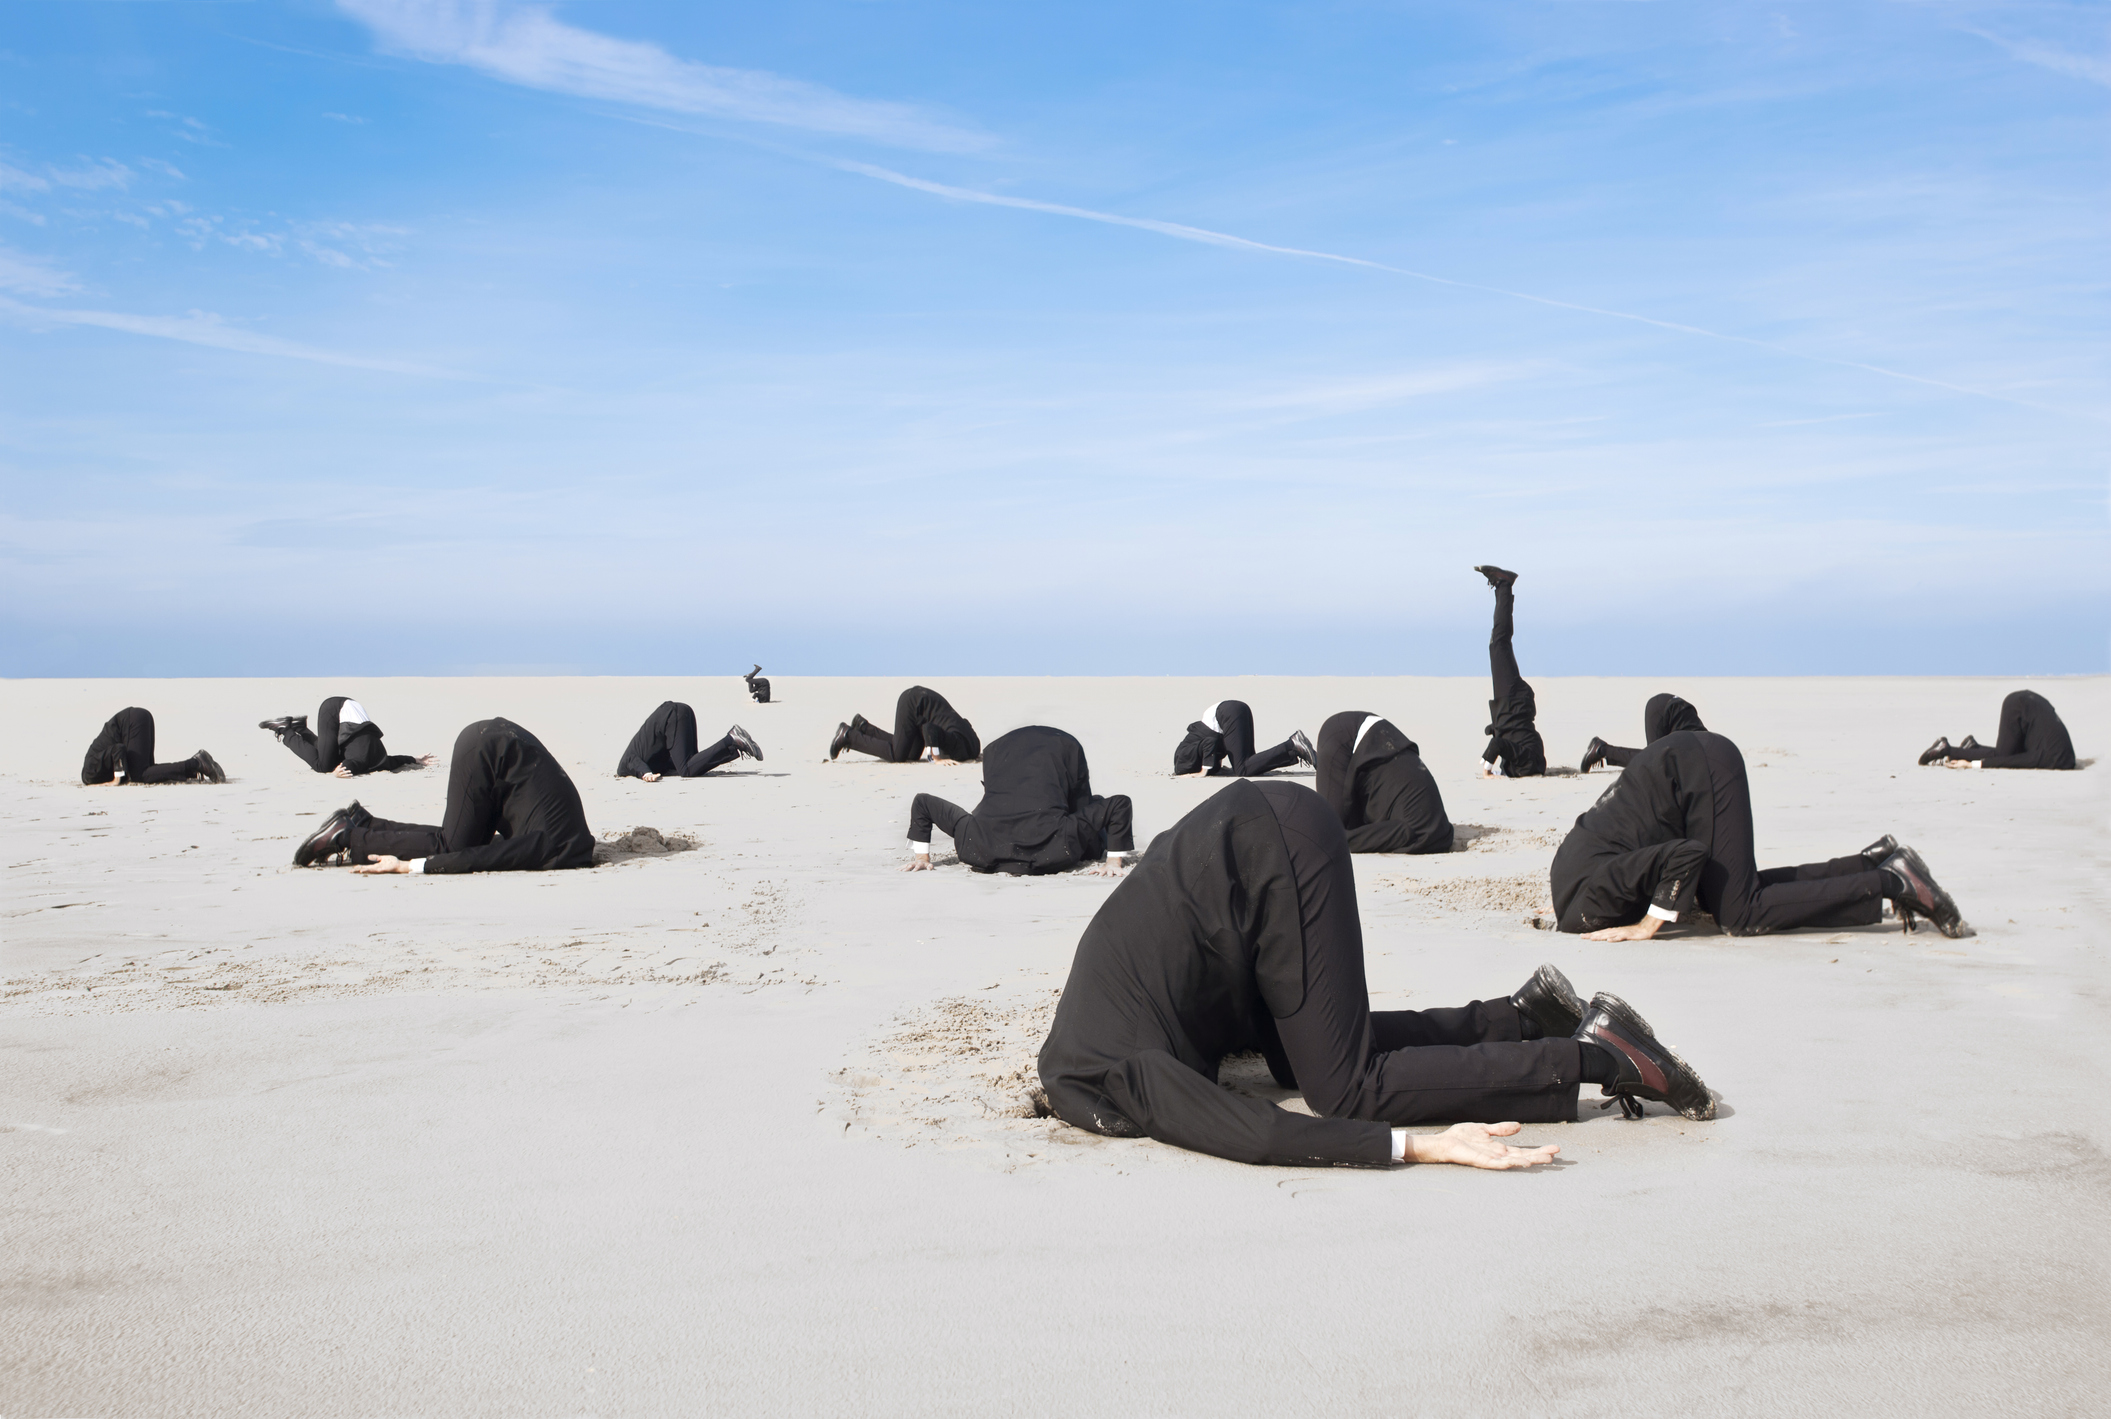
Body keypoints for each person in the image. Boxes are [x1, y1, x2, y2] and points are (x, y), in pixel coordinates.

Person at [1036, 778, 1715, 1168]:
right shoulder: (1091, 1028)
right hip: (1245, 847)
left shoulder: (1118, 1072)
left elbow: (1253, 1131)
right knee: (1298, 1056)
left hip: (1271, 855)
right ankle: (1523, 1015)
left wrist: (1417, 1146)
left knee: (1343, 1088)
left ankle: (1597, 1056)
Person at [1551, 728, 1968, 938]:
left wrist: (1647, 924)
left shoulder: (1592, 899)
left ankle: (1892, 881)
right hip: (1686, 764)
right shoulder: (1576, 894)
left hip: (1701, 772)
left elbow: (1685, 854)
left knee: (1739, 913)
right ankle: (1870, 862)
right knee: (1730, 894)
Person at [291, 717, 594, 875]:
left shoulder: (572, 839)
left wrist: (411, 863)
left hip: (497, 741)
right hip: (487, 753)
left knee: (462, 836)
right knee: (452, 845)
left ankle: (364, 823)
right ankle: (346, 836)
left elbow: (491, 849)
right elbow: (487, 858)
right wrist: (411, 866)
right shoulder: (551, 847)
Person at [903, 725, 1133, 877]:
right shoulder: (974, 843)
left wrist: (922, 858)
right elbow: (1119, 804)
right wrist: (1113, 861)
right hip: (1045, 839)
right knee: (1092, 825)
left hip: (1002, 842)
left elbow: (922, 803)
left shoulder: (974, 843)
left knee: (1092, 812)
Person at [1314, 710, 1454, 854]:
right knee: (1330, 831)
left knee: (1332, 833)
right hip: (1345, 735)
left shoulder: (1434, 833)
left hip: (1375, 734)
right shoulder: (1420, 834)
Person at [1475, 565, 1545, 777]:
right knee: (1499, 643)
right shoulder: (1526, 764)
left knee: (1498, 643)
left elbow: (1506, 742)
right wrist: (1487, 768)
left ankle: (1502, 587)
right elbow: (1498, 745)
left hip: (1513, 705)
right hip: (1512, 701)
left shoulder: (1527, 764)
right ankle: (1504, 584)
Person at [259, 697, 430, 777]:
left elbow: (396, 760)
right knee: (323, 766)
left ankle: (299, 727)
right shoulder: (363, 761)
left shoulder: (382, 760)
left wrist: (415, 759)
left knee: (331, 756)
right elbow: (349, 765)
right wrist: (337, 774)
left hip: (352, 711)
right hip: (334, 711)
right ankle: (284, 729)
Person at [1919, 690, 2077, 771]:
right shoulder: (2050, 759)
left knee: (2007, 752)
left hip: (2034, 703)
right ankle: (1945, 749)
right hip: (2017, 706)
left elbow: (2016, 759)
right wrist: (1972, 765)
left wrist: (1972, 762)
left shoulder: (2059, 758)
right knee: (2003, 755)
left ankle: (1972, 748)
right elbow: (2011, 762)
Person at [829, 686, 979, 764]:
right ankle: (848, 736)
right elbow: (929, 729)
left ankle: (863, 727)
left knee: (911, 755)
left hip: (923, 707)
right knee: (898, 755)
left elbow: (965, 722)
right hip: (914, 704)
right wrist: (936, 758)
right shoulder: (959, 747)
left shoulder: (972, 743)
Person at [615, 702, 762, 780]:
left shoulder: (624, 766)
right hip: (681, 712)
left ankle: (731, 740)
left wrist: (645, 774)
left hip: (671, 717)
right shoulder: (653, 759)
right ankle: (734, 745)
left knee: (687, 770)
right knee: (694, 764)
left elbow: (632, 761)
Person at [81, 707, 224, 785]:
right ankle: (194, 770)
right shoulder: (95, 766)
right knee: (148, 771)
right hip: (137, 718)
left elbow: (118, 749)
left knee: (140, 774)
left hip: (132, 721)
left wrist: (116, 779)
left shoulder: (90, 771)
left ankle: (197, 763)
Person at [1172, 700, 1316, 777]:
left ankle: (1292, 745)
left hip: (1226, 714)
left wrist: (1203, 771)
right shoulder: (1188, 749)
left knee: (1242, 769)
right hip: (1233, 710)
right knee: (1252, 765)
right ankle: (1295, 748)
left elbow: (1211, 742)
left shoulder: (1181, 762)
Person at [1579, 693, 1706, 774]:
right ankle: (1601, 750)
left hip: (1676, 708)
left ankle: (1603, 750)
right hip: (1663, 710)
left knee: (1660, 762)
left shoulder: (1707, 751)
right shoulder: (1698, 758)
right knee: (1655, 762)